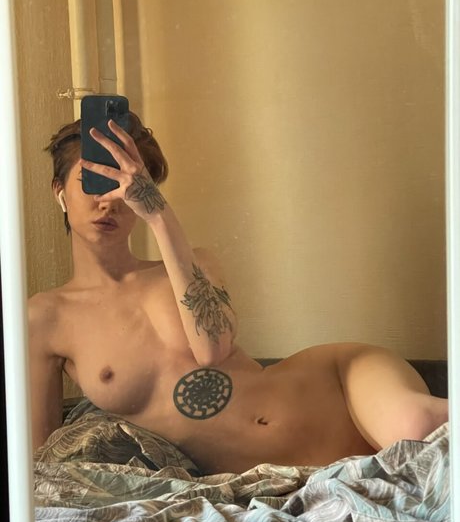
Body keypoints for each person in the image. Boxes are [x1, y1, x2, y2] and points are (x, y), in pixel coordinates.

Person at [28, 111, 449, 475]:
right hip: (288, 476)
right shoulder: (45, 319)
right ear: (59, 191)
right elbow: (40, 464)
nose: (109, 201)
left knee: (420, 429)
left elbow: (212, 348)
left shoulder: (192, 265)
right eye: (93, 181)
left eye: (122, 184)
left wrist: (158, 215)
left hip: (339, 383)